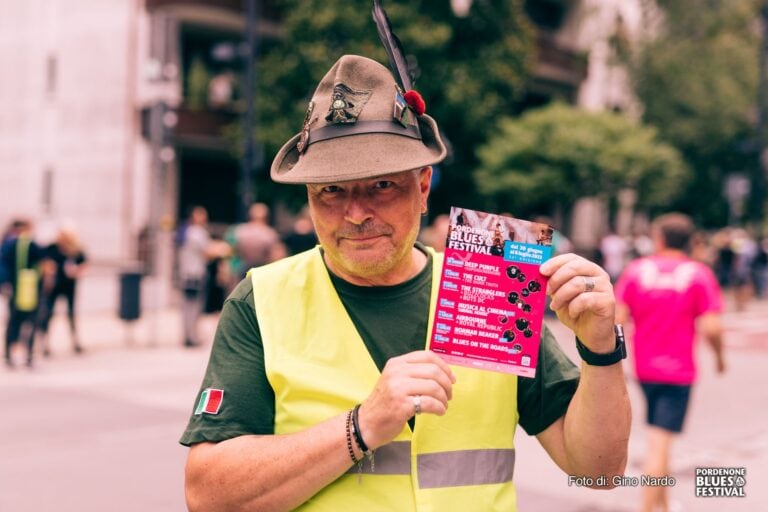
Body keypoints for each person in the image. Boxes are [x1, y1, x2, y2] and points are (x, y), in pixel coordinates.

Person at [180, 54, 630, 511]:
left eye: (381, 185)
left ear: (423, 189)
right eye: (331, 191)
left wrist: (600, 348)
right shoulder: (263, 299)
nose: (355, 214)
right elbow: (207, 495)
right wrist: (361, 427)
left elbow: (599, 471)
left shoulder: (493, 288)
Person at [615, 213, 725, 512]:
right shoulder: (698, 274)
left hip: (644, 368)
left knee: (657, 436)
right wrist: (719, 358)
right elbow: (713, 327)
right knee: (660, 445)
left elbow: (617, 318)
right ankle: (648, 508)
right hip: (678, 372)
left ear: (659, 238)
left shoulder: (637, 270)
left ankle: (663, 505)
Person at [177, 206, 229, 348]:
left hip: (187, 273)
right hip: (194, 274)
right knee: (193, 306)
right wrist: (223, 250)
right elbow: (207, 251)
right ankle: (191, 336)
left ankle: (188, 335)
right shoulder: (197, 232)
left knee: (188, 305)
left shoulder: (188, 231)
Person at [37, 225, 87, 356]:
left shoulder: (75, 249)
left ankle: (75, 342)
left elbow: (84, 263)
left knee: (71, 314)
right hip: (54, 286)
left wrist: (77, 271)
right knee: (48, 314)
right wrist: (48, 271)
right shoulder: (52, 248)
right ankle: (45, 344)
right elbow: (43, 261)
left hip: (69, 286)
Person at [2, 219, 46, 368]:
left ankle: (9, 355)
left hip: (15, 289)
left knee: (13, 322)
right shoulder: (31, 244)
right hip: (30, 290)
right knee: (31, 323)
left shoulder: (8, 245)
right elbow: (44, 263)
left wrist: (5, 284)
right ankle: (28, 356)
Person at [231, 203, 280, 279]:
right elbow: (276, 256)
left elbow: (231, 251)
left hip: (242, 270)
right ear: (266, 217)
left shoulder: (240, 231)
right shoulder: (269, 234)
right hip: (263, 271)